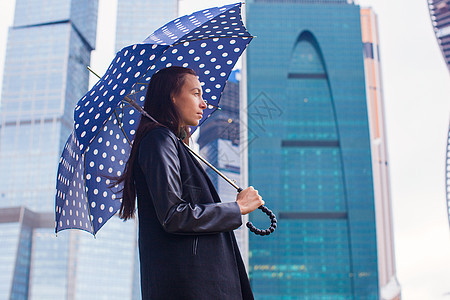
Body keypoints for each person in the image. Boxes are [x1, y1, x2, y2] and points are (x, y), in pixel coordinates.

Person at [115, 66, 264, 299]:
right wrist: (237, 208)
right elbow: (174, 214)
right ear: (172, 97)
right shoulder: (159, 139)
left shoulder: (172, 143)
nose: (203, 103)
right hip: (191, 287)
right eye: (196, 94)